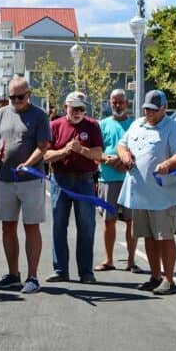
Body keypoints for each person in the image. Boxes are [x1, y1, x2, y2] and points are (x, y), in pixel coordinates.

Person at [117, 90, 176, 295]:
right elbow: (122, 145)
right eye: (146, 109)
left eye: (153, 110)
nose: (149, 113)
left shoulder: (172, 127)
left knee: (164, 237)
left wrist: (168, 163)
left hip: (162, 197)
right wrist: (124, 155)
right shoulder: (137, 124)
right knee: (148, 237)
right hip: (140, 195)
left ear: (164, 109)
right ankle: (155, 276)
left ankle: (169, 280)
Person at [0, 77, 50, 294]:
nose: (15, 101)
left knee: (31, 226)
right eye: (12, 97)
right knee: (8, 226)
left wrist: (28, 164)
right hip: (5, 179)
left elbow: (43, 146)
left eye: (20, 97)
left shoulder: (39, 116)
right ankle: (13, 274)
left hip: (30, 180)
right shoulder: (1, 114)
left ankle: (32, 277)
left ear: (28, 95)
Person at [45, 91, 104, 284]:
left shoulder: (92, 125)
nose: (78, 112)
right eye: (74, 108)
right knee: (58, 225)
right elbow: (46, 155)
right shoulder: (55, 125)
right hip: (60, 181)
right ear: (66, 108)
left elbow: (98, 154)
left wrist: (82, 150)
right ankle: (60, 270)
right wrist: (64, 151)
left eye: (81, 109)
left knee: (86, 226)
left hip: (84, 181)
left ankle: (86, 272)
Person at [96, 89, 140, 273]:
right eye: (114, 102)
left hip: (130, 179)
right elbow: (95, 151)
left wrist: (125, 162)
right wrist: (108, 159)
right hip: (107, 178)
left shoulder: (135, 125)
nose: (117, 105)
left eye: (121, 102)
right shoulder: (102, 125)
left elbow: (140, 150)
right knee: (109, 221)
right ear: (109, 103)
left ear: (127, 103)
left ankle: (131, 261)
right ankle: (108, 260)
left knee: (131, 221)